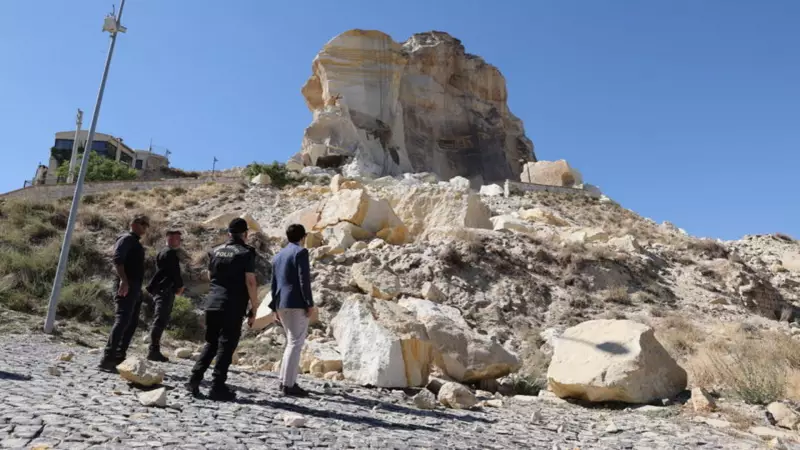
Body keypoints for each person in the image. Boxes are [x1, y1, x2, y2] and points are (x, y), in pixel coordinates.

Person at [186, 218, 258, 401]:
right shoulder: (246, 253)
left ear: (228, 234)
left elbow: (211, 275)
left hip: (213, 302)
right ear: (245, 234)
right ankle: (218, 386)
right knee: (227, 345)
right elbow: (250, 281)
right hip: (232, 304)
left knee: (211, 343)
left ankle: (194, 378)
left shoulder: (215, 251)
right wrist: (254, 307)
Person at [98, 214, 150, 372]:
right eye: (143, 223)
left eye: (147, 225)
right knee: (122, 320)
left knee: (131, 322)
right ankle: (108, 359)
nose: (145, 227)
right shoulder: (126, 239)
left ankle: (119, 356)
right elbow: (118, 259)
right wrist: (124, 281)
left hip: (134, 286)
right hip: (126, 284)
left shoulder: (135, 242)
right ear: (133, 224)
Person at [270, 223, 314, 397]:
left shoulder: (278, 255)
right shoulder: (301, 252)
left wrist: (274, 306)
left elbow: (274, 283)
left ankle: (283, 380)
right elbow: (304, 280)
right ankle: (288, 384)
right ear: (303, 237)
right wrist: (309, 302)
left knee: (290, 342)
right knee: (295, 343)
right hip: (296, 302)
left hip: (281, 302)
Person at [145, 228, 185, 362]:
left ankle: (154, 350)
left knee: (160, 319)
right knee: (160, 320)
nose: (179, 241)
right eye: (177, 238)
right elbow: (175, 273)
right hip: (164, 290)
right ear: (169, 238)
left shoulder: (163, 252)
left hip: (162, 289)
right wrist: (180, 286)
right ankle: (153, 350)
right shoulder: (170, 253)